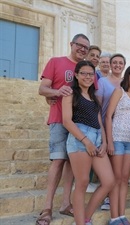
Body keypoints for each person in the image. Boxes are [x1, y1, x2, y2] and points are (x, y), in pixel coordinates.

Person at [36, 33, 90, 225]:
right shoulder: (56, 62)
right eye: (80, 45)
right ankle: (47, 207)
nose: (82, 49)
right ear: (71, 44)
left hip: (79, 123)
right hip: (59, 119)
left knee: (71, 165)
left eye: (86, 47)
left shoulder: (86, 69)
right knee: (58, 160)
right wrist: (56, 92)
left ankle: (66, 203)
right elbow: (43, 88)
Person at [62, 60, 115, 225]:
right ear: (76, 75)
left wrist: (105, 142)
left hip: (98, 139)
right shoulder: (70, 92)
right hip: (80, 140)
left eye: (90, 74)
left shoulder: (93, 96)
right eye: (83, 73)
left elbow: (99, 121)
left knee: (108, 181)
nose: (87, 76)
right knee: (83, 182)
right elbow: (66, 121)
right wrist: (86, 142)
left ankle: (85, 218)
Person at [105, 65, 130, 225]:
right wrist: (109, 141)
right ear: (127, 77)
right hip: (117, 139)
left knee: (124, 179)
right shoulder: (119, 91)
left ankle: (122, 215)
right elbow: (108, 116)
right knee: (116, 178)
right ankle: (114, 217)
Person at [96, 53, 126, 211]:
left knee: (118, 168)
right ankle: (107, 197)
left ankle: (115, 198)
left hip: (122, 129)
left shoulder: (126, 83)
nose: (117, 65)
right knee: (109, 165)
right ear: (110, 64)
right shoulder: (102, 82)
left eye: (121, 63)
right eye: (115, 62)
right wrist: (103, 133)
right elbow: (99, 108)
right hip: (106, 125)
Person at [85, 45, 102, 193]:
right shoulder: (84, 73)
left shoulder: (98, 76)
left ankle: (89, 180)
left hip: (95, 116)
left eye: (97, 56)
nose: (95, 58)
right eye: (92, 55)